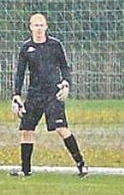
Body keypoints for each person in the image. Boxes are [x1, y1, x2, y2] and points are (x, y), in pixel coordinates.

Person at [10, 13, 88, 177]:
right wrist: (16, 95)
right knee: (26, 129)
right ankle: (25, 170)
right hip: (34, 94)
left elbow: (65, 67)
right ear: (30, 27)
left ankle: (81, 164)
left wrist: (66, 83)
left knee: (61, 128)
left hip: (53, 94)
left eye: (41, 25)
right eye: (35, 25)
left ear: (46, 27)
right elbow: (20, 73)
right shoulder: (26, 48)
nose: (39, 28)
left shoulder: (55, 45)